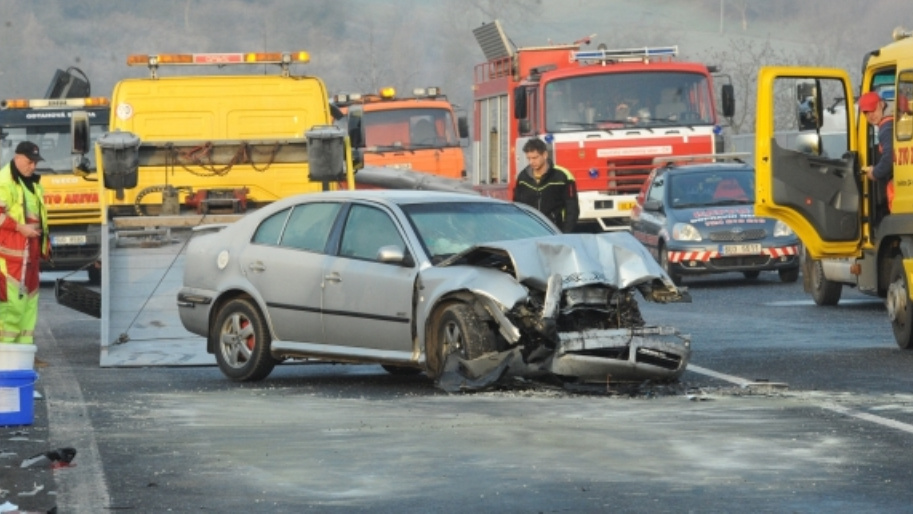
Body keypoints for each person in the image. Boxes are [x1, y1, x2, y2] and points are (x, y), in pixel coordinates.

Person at [0, 141, 50, 352]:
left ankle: (24, 355)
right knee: (11, 310)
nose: (33, 166)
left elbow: (38, 217)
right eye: (29, 162)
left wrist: (44, 244)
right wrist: (20, 228)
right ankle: (5, 358)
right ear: (17, 157)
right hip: (11, 259)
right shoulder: (5, 181)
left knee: (29, 309)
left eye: (35, 162)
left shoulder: (33, 183)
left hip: (30, 257)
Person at [513, 138, 579, 232]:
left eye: (535, 158)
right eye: (529, 158)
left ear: (545, 155)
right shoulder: (523, 178)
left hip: (555, 231)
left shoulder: (563, 176)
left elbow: (572, 210)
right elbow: (517, 207)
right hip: (529, 232)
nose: (531, 162)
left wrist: (564, 234)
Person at [860, 91, 895, 213]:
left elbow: (889, 158)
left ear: (881, 104)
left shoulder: (886, 127)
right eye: (866, 112)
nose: (871, 115)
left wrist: (874, 173)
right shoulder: (894, 118)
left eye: (873, 109)